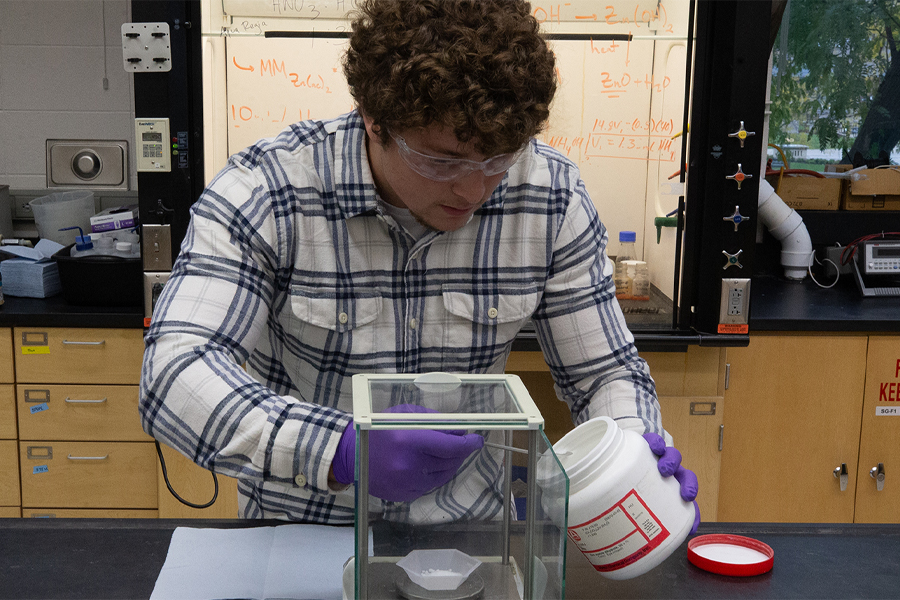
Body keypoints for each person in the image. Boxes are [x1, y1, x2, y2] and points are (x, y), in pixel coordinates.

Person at [140, 0, 699, 527]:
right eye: (441, 160)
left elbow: (603, 373)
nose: (474, 188)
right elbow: (174, 372)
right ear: (372, 120)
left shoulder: (550, 197)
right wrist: (337, 447)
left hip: (470, 536)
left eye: (499, 158)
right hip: (302, 532)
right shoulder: (269, 192)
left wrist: (632, 452)